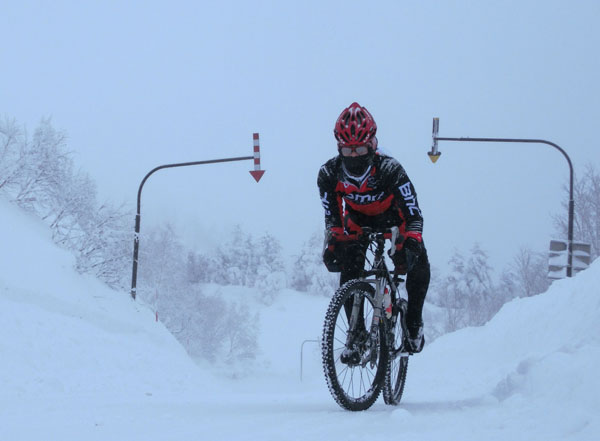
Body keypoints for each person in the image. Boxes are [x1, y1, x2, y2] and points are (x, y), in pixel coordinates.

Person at [317, 102, 431, 357]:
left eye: (360, 149)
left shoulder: (391, 169)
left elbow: (414, 215)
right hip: (358, 222)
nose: (354, 155)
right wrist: (333, 242)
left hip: (396, 220)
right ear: (339, 147)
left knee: (418, 263)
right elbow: (333, 217)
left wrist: (411, 242)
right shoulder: (329, 173)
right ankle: (357, 335)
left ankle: (413, 323)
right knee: (349, 267)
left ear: (373, 145)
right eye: (348, 149)